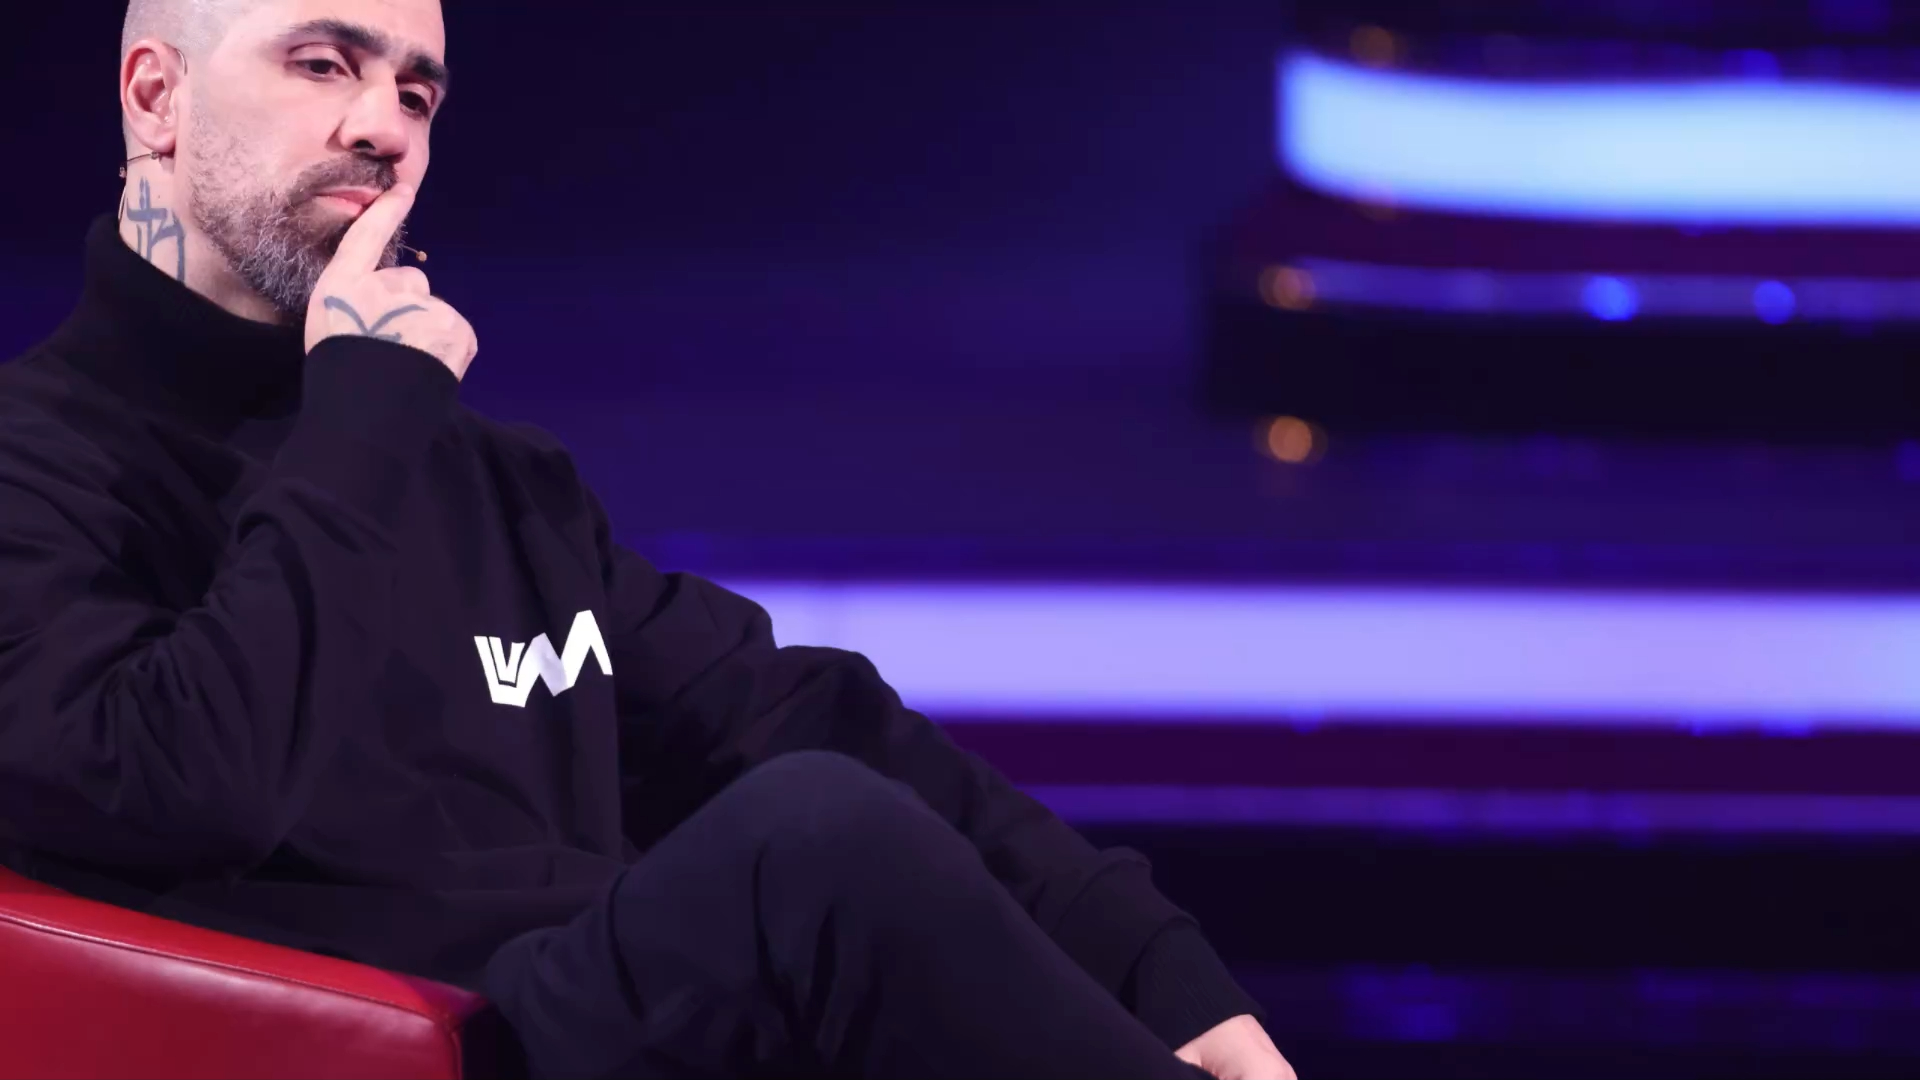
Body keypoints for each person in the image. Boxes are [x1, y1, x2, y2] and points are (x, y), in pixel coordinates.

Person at [0, 2, 1297, 1078]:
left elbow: (793, 715)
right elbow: (180, 782)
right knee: (812, 850)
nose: (384, 128)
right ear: (157, 97)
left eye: (417, 92)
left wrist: (1154, 966)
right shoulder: (36, 464)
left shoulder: (485, 479)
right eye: (325, 64)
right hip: (389, 1042)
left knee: (825, 807)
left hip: (602, 1022)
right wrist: (363, 414)